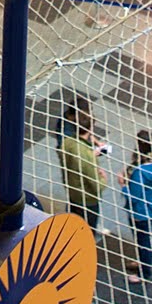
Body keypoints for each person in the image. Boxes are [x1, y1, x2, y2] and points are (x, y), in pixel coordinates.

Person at [119, 132, 152, 284]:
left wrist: (123, 185)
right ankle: (142, 261)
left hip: (139, 210)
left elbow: (134, 196)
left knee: (143, 240)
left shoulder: (140, 172)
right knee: (144, 237)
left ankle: (144, 272)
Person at [58, 97, 107, 232]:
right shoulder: (84, 154)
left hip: (73, 189)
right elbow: (96, 184)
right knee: (87, 230)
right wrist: (103, 179)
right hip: (87, 198)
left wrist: (94, 142)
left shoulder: (67, 142)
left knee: (73, 220)